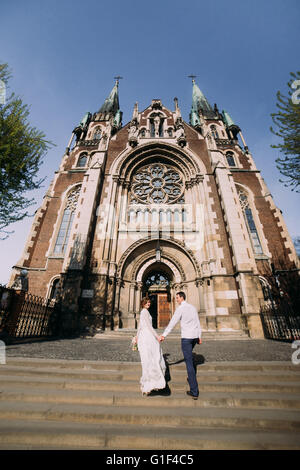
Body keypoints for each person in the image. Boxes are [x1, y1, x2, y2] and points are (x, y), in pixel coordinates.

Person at [159, 292, 202, 400]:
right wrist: (199, 336)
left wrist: (163, 335)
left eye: (177, 298)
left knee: (189, 363)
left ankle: (194, 391)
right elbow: (198, 322)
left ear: (182, 297)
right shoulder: (192, 307)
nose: (176, 300)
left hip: (187, 338)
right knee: (190, 359)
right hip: (194, 338)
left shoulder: (181, 308)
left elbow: (173, 322)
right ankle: (191, 378)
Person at [136, 297, 166, 396]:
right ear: (143, 303)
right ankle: (151, 384)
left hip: (144, 336)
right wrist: (157, 336)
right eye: (146, 302)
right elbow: (148, 326)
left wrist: (137, 336)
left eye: (149, 302)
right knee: (152, 359)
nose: (148, 303)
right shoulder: (144, 312)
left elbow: (140, 326)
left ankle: (149, 385)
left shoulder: (144, 312)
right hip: (147, 337)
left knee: (148, 360)